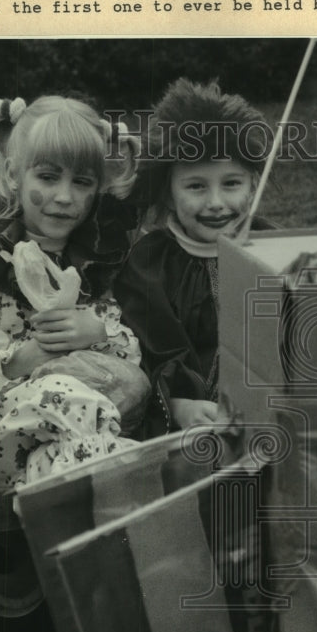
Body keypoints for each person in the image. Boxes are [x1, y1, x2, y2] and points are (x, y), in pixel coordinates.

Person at [0, 95, 148, 487]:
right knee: (62, 394)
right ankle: (123, 495)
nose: (64, 196)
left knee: (96, 425)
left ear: (96, 189)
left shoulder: (97, 258)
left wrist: (99, 333)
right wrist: (21, 357)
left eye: (81, 182)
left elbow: (131, 355)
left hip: (75, 439)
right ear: (14, 174)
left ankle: (85, 517)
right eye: (47, 177)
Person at [115, 79, 269, 438]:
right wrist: (178, 403)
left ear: (252, 187)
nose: (215, 202)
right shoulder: (150, 263)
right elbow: (147, 351)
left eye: (231, 184)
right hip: (187, 425)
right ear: (168, 194)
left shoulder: (272, 247)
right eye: (196, 186)